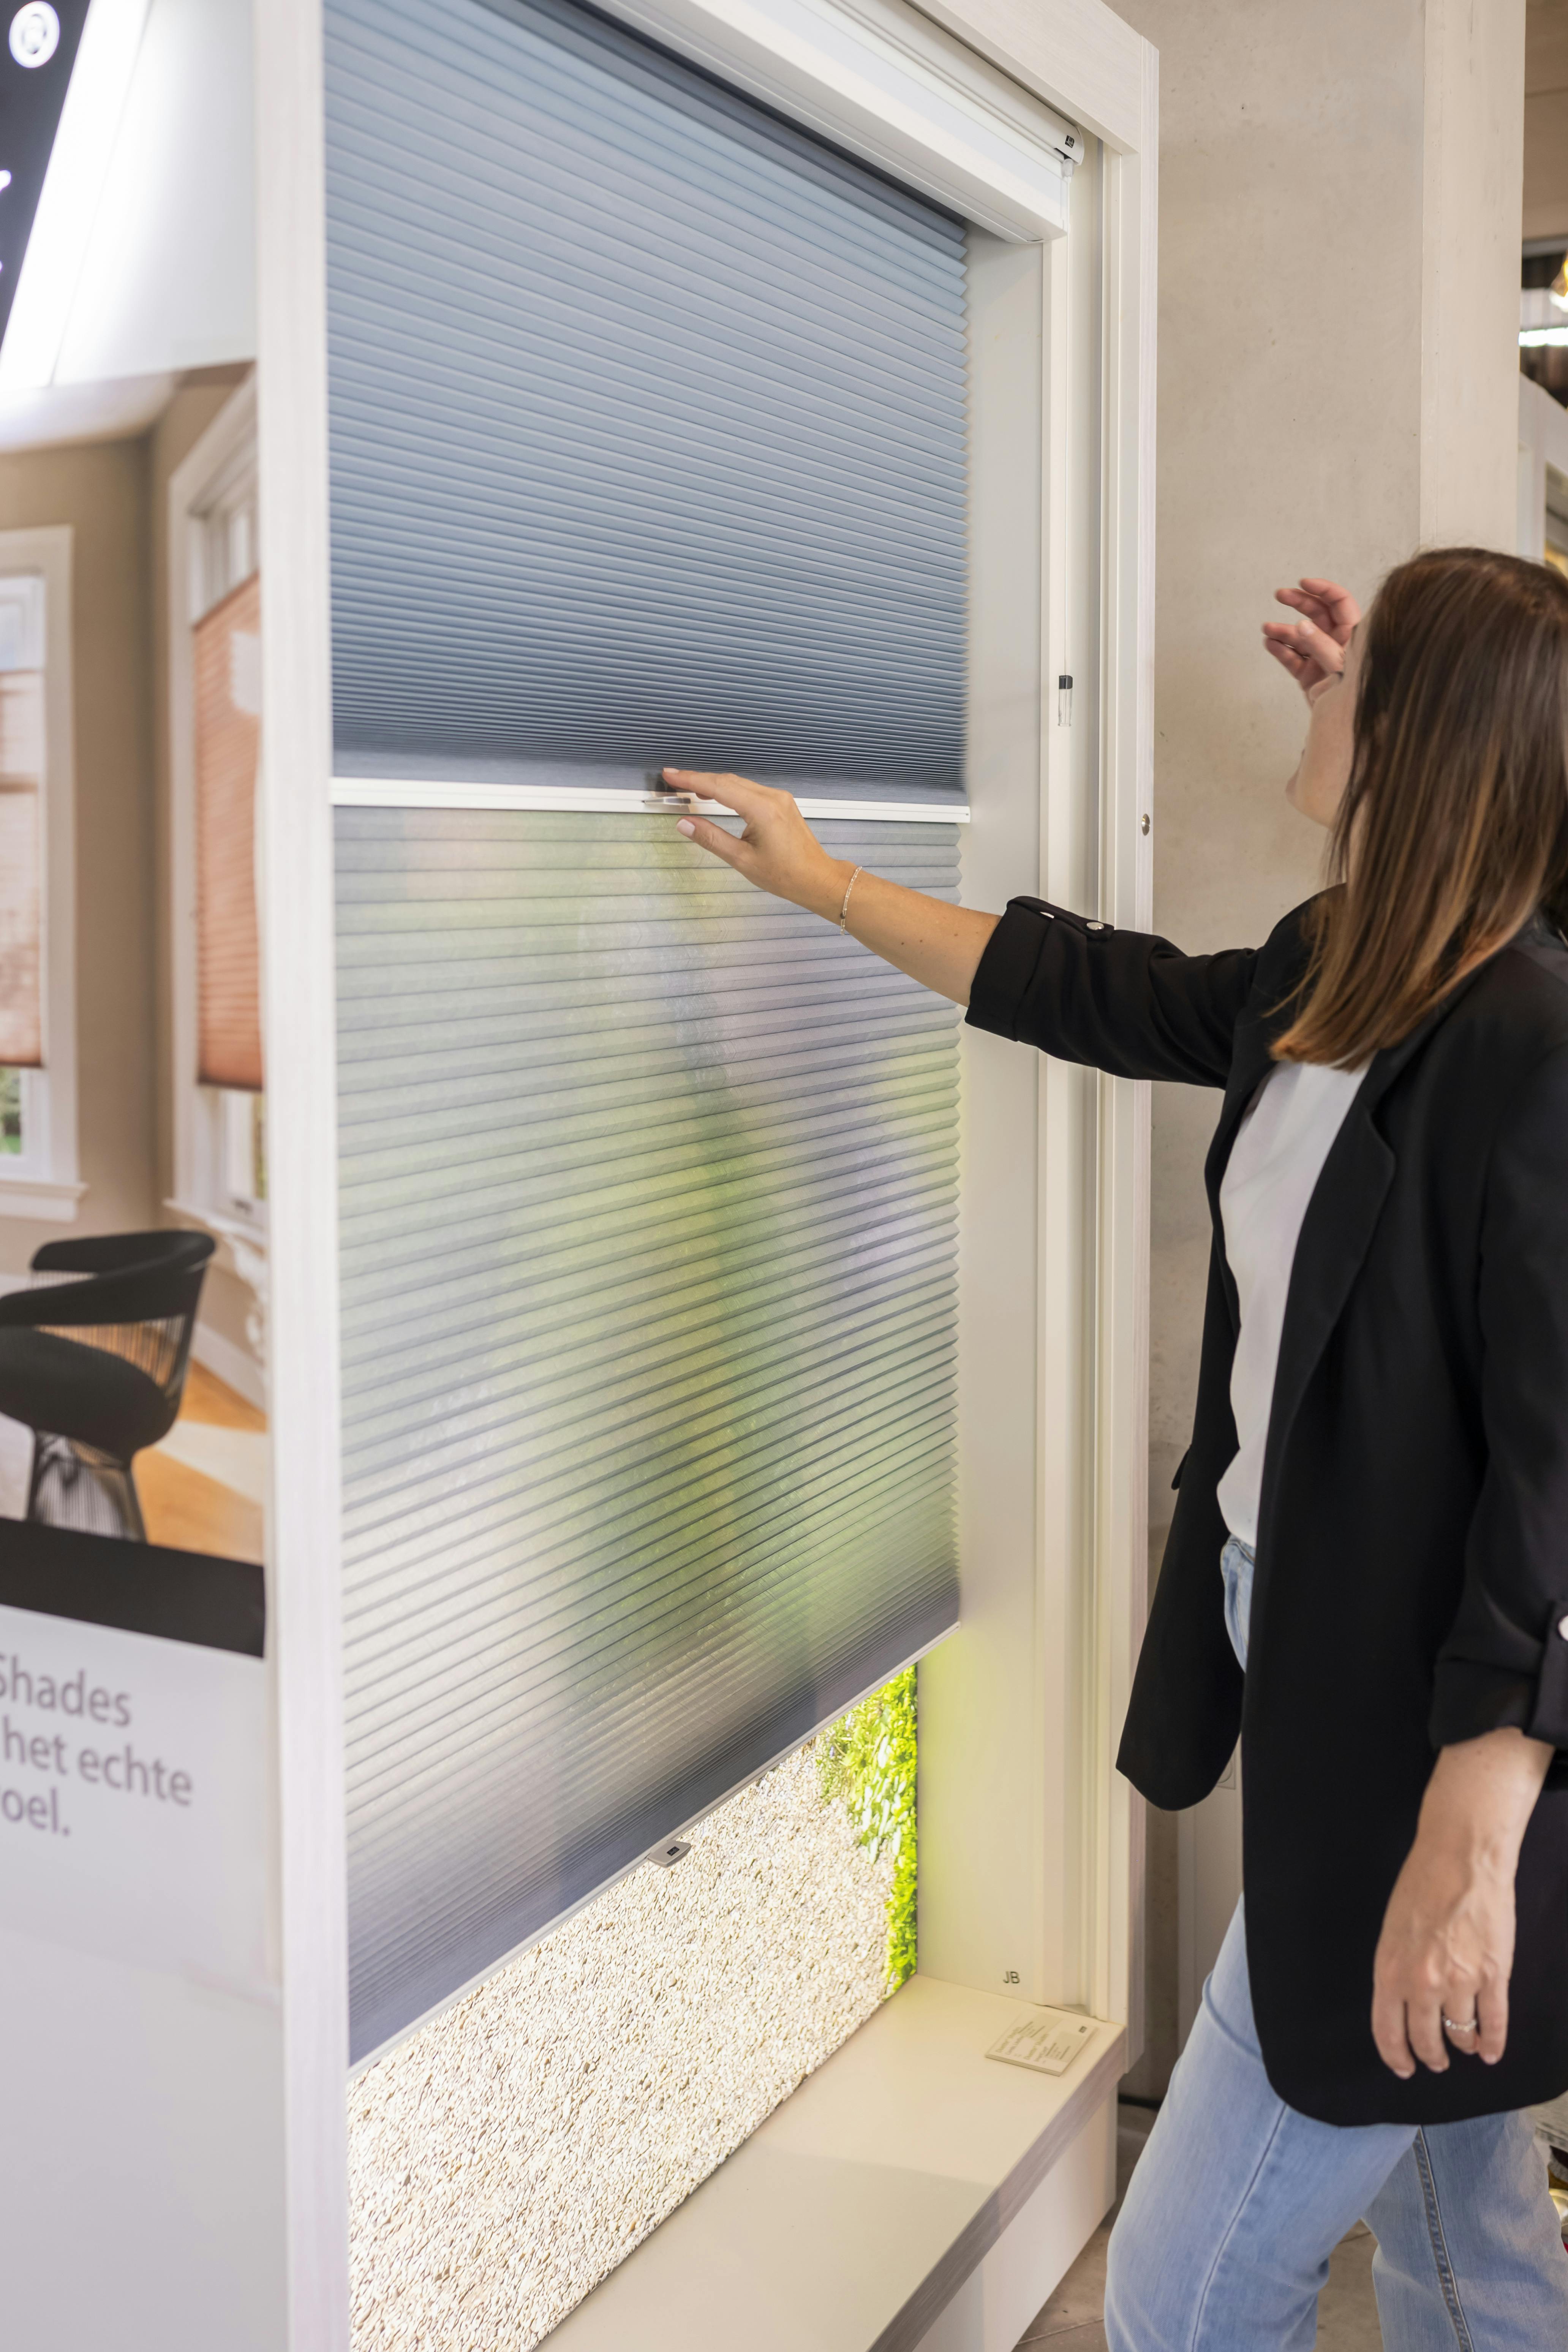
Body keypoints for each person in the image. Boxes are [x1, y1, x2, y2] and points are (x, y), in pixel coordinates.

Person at [664, 545, 1568, 2347]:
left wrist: (1469, 1841)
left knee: (1183, 2287)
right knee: (1465, 2226)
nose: (1324, 689)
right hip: (1310, 1673)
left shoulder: (1531, 1043)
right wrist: (826, 881)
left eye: (1366, 676)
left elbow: (1558, 1477)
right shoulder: (1333, 972)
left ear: (1440, 743)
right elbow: (1093, 991)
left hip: (1425, 1751)